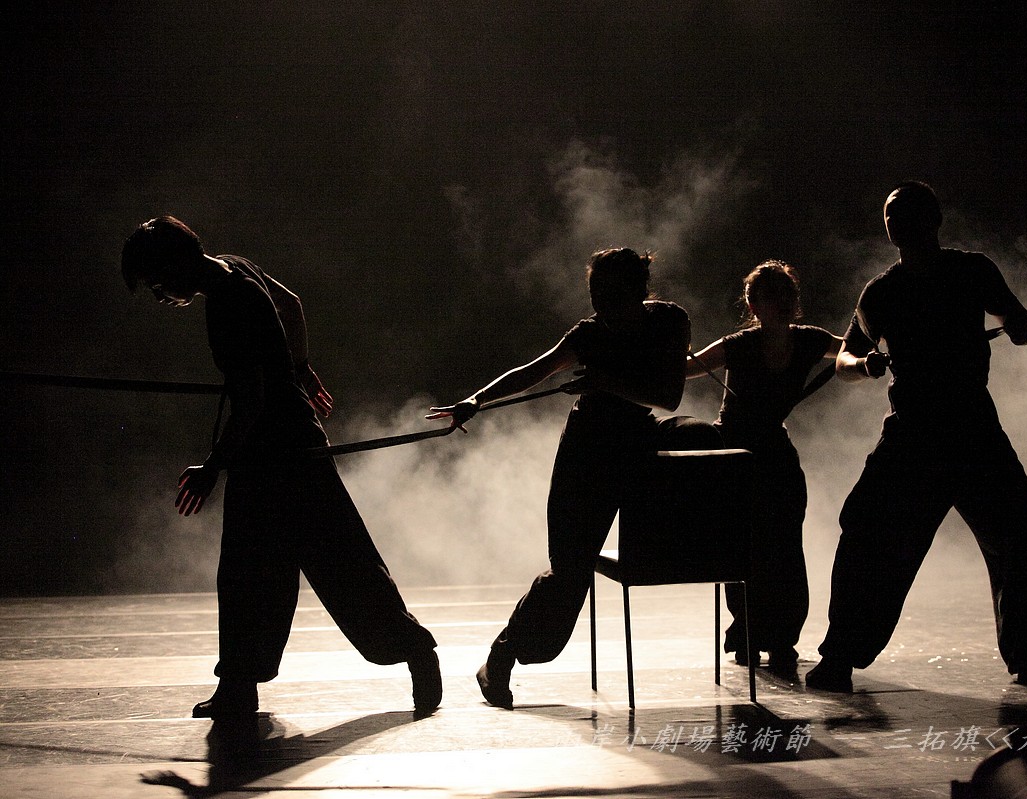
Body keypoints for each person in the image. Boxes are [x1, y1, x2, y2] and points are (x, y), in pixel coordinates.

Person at [120, 216, 442, 718]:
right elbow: (290, 305)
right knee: (290, 566)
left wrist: (212, 467)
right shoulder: (235, 267)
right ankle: (244, 682)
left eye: (157, 282)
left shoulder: (227, 306)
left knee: (292, 568)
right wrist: (299, 367)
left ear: (176, 263)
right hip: (290, 442)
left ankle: (407, 650)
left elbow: (251, 402)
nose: (160, 296)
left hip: (275, 452)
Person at [428, 247, 722, 709]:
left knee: (701, 435)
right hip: (586, 453)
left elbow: (668, 397)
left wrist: (604, 382)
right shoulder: (589, 332)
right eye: (595, 295)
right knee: (569, 574)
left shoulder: (669, 321)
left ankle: (702, 554)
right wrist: (476, 400)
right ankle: (502, 657)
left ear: (639, 292)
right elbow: (535, 370)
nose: (600, 305)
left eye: (611, 295)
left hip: (638, 440)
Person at [804, 182, 1027, 693]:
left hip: (972, 427)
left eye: (904, 212)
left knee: (1018, 539)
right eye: (889, 214)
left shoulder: (973, 270)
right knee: (867, 535)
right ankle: (839, 655)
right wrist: (864, 364)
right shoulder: (881, 291)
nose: (894, 221)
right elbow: (844, 359)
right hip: (913, 432)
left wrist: (1019, 326)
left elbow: (1017, 324)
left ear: (934, 219)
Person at [686, 260, 840, 679]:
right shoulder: (738, 344)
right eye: (774, 296)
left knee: (786, 544)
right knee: (745, 546)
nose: (784, 303)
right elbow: (684, 368)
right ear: (754, 305)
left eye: (788, 294)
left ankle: (782, 636)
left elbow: (850, 350)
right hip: (735, 454)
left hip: (774, 451)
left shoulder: (810, 340)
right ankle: (750, 632)